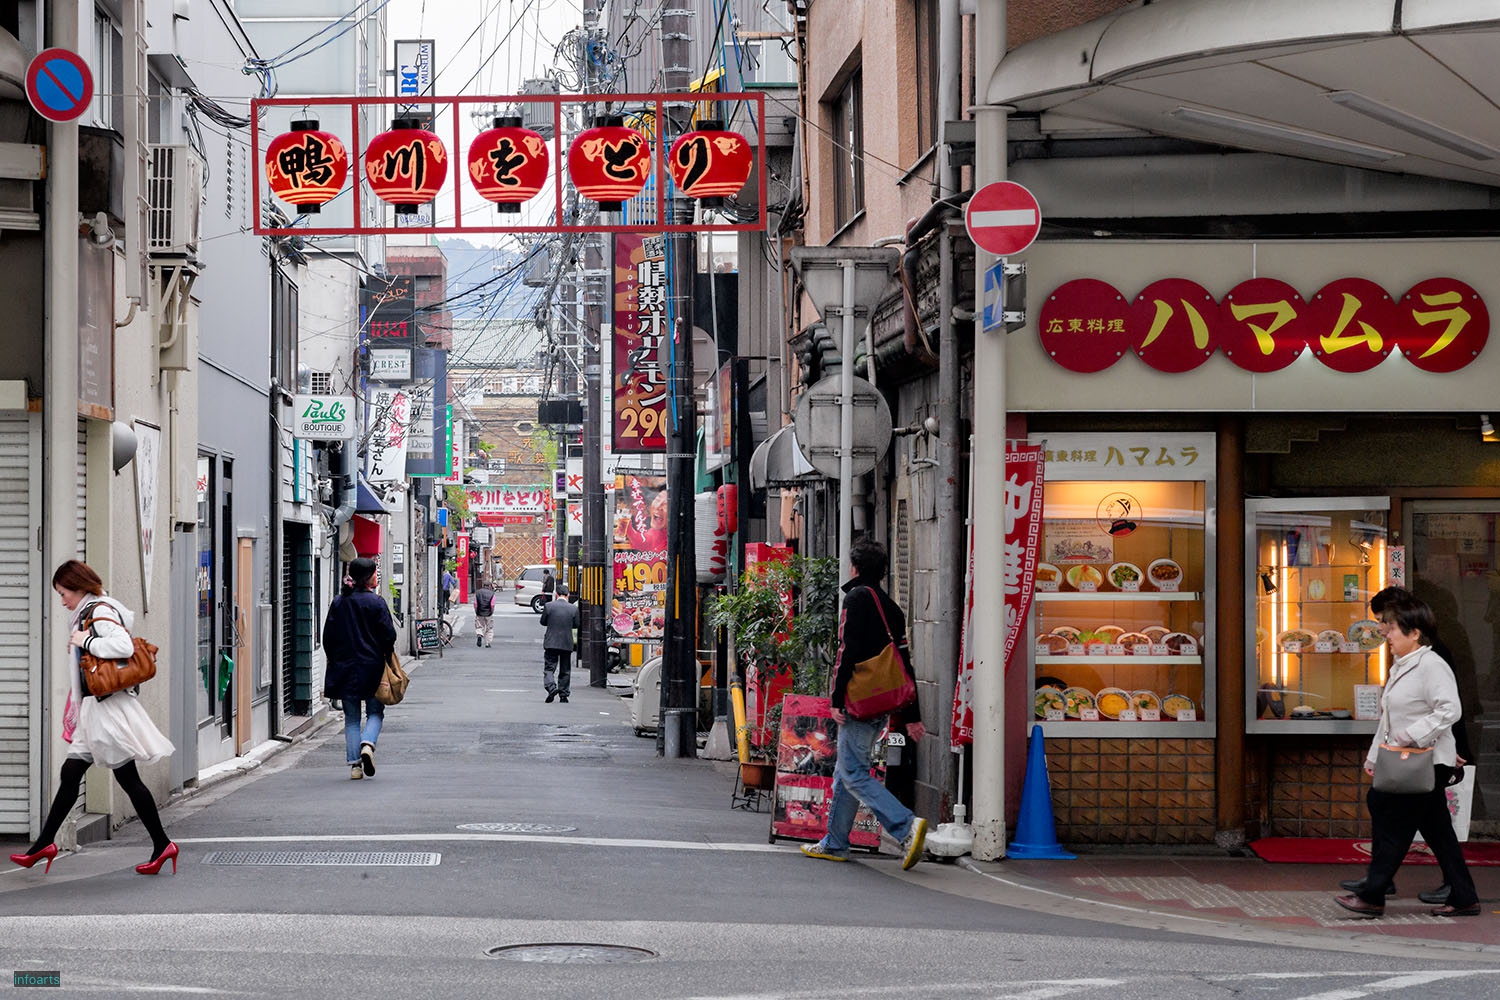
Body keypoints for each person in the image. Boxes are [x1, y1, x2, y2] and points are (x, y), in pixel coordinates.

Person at [11, 560, 176, 876]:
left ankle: (162, 844)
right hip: (94, 710)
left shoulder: (99, 612)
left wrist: (83, 640)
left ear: (79, 587)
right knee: (71, 773)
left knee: (126, 778)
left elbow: (123, 645)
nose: (62, 601)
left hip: (106, 710)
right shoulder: (86, 613)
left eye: (64, 593)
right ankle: (45, 843)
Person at [1335, 591, 1480, 918]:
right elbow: (1389, 719)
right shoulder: (1403, 666)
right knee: (1438, 832)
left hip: (1425, 762)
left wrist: (1411, 735)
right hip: (1408, 762)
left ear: (1414, 632)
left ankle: (1373, 893)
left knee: (1395, 826)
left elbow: (1450, 710)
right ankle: (1464, 895)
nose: (1386, 635)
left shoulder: (1431, 665)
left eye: (1392, 629)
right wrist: (1375, 756)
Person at [801, 538, 928, 870]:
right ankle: (836, 842)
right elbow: (904, 663)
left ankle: (905, 826)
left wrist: (837, 698)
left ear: (854, 568)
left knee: (854, 772)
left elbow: (847, 652)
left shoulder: (856, 599)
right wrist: (912, 714)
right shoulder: (892, 609)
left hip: (858, 700)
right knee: (846, 771)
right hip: (883, 701)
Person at [322, 557, 397, 781]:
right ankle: (368, 743)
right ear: (368, 576)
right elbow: (389, 636)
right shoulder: (376, 603)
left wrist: (334, 658)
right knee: (375, 712)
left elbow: (328, 637)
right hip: (373, 667)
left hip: (345, 668)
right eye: (375, 572)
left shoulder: (339, 602)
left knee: (351, 718)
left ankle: (355, 766)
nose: (377, 576)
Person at [540, 584, 579, 703]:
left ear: (556, 594)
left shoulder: (549, 606)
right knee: (565, 669)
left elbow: (543, 622)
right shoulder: (573, 608)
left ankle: (551, 687)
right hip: (566, 642)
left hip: (551, 641)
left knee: (549, 667)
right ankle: (563, 694)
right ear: (568, 595)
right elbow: (577, 624)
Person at [473, 578, 496, 648]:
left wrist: (476, 610)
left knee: (479, 626)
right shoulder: (492, 594)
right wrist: (491, 611)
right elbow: (492, 605)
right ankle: (488, 643)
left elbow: (475, 603)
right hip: (488, 613)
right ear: (489, 586)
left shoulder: (477, 593)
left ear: (483, 585)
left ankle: (479, 635)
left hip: (479, 612)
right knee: (489, 628)